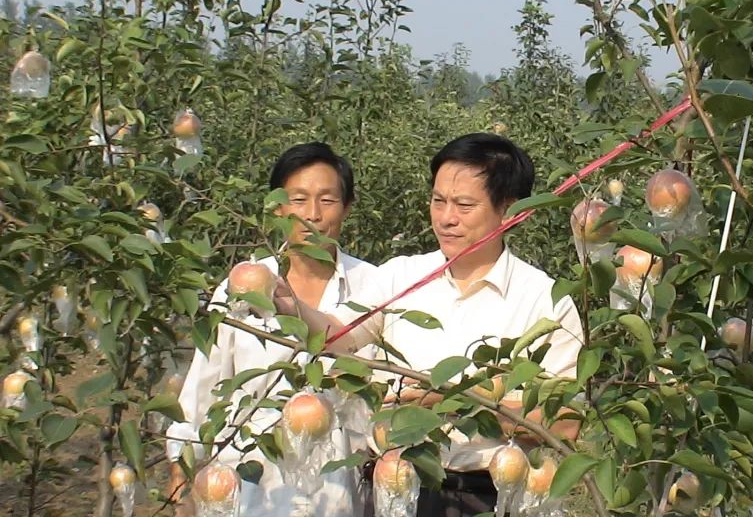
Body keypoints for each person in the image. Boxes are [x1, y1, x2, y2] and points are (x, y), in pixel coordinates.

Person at [356, 133, 584, 516]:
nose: (446, 218)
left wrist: (449, 399)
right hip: (394, 488)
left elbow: (563, 426)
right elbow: (337, 335)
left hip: (489, 495)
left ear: (509, 210)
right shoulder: (397, 279)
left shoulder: (546, 301)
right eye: (438, 201)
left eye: (464, 205)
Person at [166, 142, 379, 517]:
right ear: (278, 208)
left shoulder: (374, 287)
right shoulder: (245, 285)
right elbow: (204, 383)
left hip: (338, 495)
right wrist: (180, 474)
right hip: (253, 490)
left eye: (327, 200)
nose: (313, 215)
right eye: (299, 199)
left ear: (347, 207)